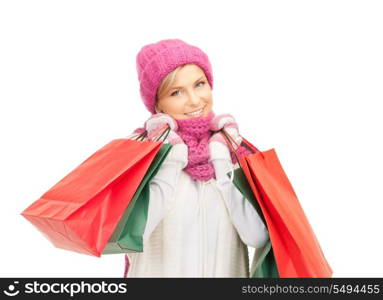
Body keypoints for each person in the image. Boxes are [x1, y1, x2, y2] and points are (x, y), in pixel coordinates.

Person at [124, 39, 269, 277]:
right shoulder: (141, 153)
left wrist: (222, 161)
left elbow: (257, 236)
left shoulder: (235, 149)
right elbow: (132, 236)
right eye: (176, 92)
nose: (194, 100)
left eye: (199, 84)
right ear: (157, 103)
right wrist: (169, 159)